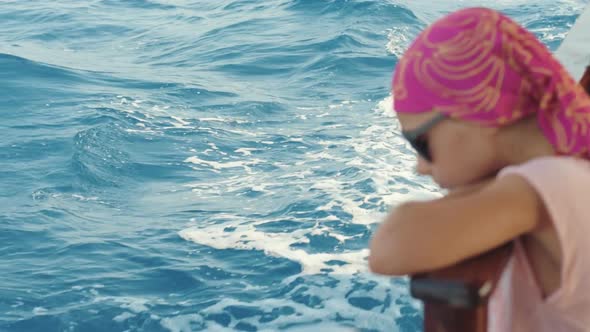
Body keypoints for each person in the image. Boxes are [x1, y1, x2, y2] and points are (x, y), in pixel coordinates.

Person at [368, 7, 590, 331]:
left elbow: (391, 246)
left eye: (421, 143)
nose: (421, 167)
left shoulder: (550, 182)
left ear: (476, 110)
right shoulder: (570, 169)